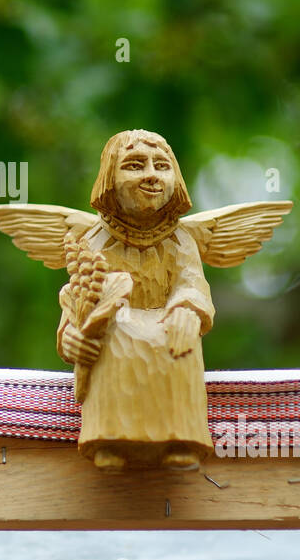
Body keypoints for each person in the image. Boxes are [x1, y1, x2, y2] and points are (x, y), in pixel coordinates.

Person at [56, 130, 214, 470]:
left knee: (182, 338)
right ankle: (110, 438)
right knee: (114, 335)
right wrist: (71, 335)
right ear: (111, 178)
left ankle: (181, 438)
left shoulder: (181, 241)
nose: (152, 175)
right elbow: (78, 296)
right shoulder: (95, 241)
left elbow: (193, 284)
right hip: (117, 327)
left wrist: (188, 309)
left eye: (162, 165)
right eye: (135, 165)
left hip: (168, 321)